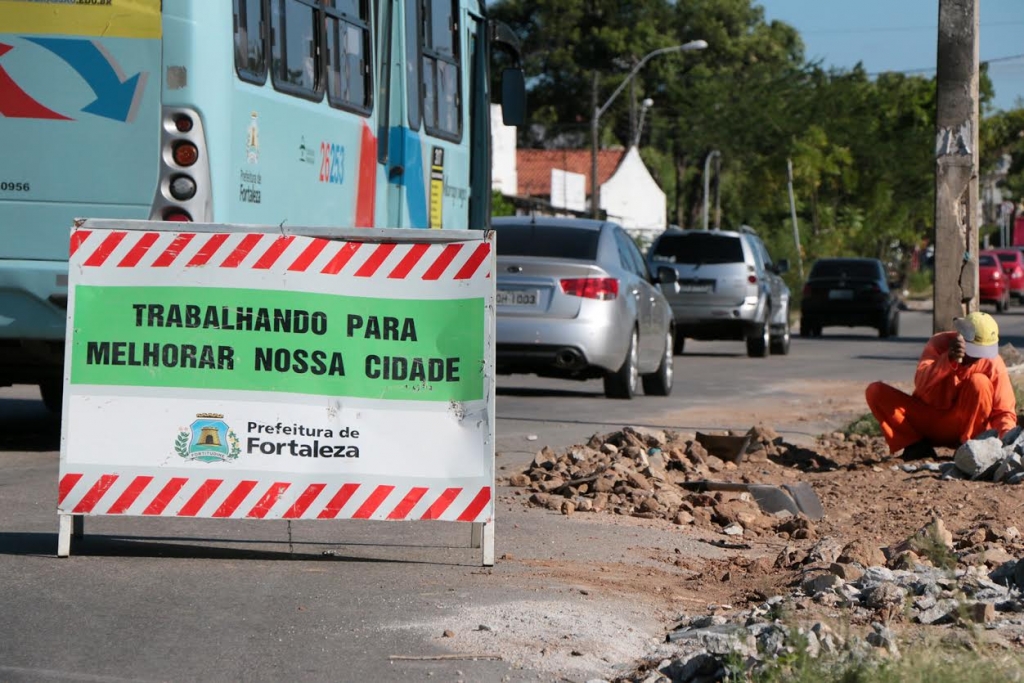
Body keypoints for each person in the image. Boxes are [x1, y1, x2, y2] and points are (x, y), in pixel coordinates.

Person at [865, 311, 1017, 460]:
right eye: (974, 351)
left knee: (980, 382)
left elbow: (1004, 411)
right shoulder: (939, 344)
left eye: (981, 353)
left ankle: (970, 450)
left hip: (964, 425)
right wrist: (947, 359)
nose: (977, 358)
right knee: (875, 391)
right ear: (961, 338)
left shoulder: (992, 361)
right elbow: (921, 383)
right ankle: (915, 446)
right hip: (927, 419)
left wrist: (1008, 442)